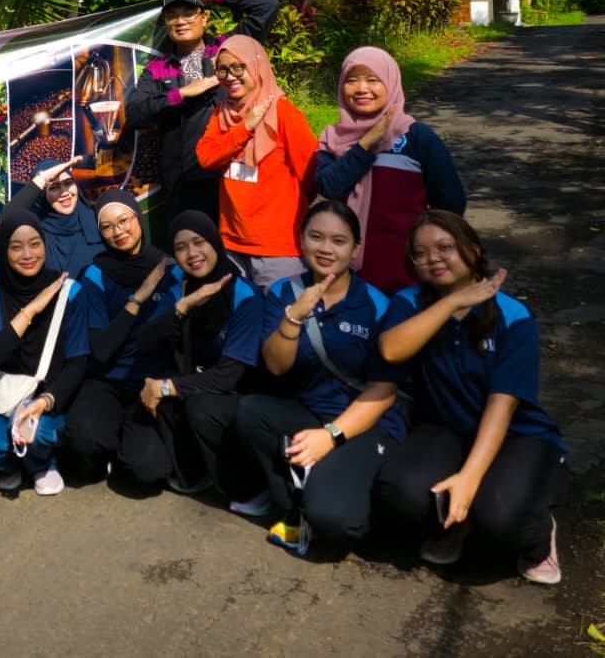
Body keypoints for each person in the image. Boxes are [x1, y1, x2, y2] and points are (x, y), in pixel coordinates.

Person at [375, 211, 567, 585]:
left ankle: (538, 537)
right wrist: (450, 302)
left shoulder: (513, 315)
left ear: (473, 250)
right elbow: (391, 351)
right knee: (399, 490)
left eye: (445, 247)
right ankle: (457, 522)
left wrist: (468, 477)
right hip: (445, 429)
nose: (434, 258)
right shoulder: (409, 302)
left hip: (517, 435)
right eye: (421, 253)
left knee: (500, 513)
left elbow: (503, 405)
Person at [235, 200, 404, 556]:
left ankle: (339, 500)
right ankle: (297, 503)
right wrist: (293, 318)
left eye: (339, 241)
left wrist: (331, 437)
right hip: (311, 414)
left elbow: (384, 391)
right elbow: (277, 367)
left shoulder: (376, 304)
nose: (326, 249)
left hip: (366, 422)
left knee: (334, 521)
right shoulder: (283, 292)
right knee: (251, 411)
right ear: (301, 240)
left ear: (356, 249)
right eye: (316, 237)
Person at [136, 211, 267, 507]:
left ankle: (251, 490)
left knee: (197, 405)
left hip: (244, 395)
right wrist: (184, 305)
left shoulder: (244, 295)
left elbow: (228, 376)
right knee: (169, 399)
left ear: (215, 243)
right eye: (181, 247)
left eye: (199, 242)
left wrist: (166, 387)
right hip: (201, 380)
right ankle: (195, 476)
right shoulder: (179, 285)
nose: (192, 254)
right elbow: (144, 341)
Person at [126, 0, 280, 227]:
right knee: (195, 246)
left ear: (204, 18)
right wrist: (181, 94)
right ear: (166, 24)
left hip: (234, 168)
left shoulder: (228, 49)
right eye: (172, 16)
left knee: (240, 238)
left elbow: (268, 7)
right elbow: (135, 114)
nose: (181, 21)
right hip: (183, 179)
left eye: (188, 13)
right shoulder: (157, 69)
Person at [315, 47, 466, 294]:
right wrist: (365, 145)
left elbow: (451, 204)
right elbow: (329, 186)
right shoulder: (333, 139)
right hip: (343, 271)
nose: (362, 88)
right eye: (351, 80)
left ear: (391, 82)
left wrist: (428, 250)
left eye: (373, 80)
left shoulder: (417, 137)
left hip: (405, 272)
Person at [62, 190, 184, 487]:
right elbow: (101, 349)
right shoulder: (95, 274)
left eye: (124, 220)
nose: (118, 232)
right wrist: (138, 299)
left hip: (152, 383)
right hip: (107, 380)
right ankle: (106, 443)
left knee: (148, 471)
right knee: (84, 442)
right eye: (107, 226)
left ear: (138, 217)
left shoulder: (172, 269)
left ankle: (124, 446)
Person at [0, 209, 90, 496]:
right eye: (16, 246)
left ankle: (40, 462)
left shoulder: (70, 292)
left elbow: (77, 362)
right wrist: (30, 311)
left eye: (35, 243)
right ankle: (10, 465)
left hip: (45, 393)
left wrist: (46, 401)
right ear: (3, 250)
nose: (27, 254)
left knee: (40, 431)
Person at [195, 35, 317, 289]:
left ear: (256, 65)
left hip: (278, 247)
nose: (230, 76)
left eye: (238, 67)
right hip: (232, 242)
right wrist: (245, 127)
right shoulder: (223, 113)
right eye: (222, 69)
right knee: (242, 319)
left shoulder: (283, 113)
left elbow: (312, 173)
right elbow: (206, 157)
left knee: (281, 323)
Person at [4, 157, 102, 277]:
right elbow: (6, 220)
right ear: (41, 196)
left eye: (68, 183)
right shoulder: (34, 232)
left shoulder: (95, 222)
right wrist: (43, 178)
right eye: (54, 187)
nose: (65, 193)